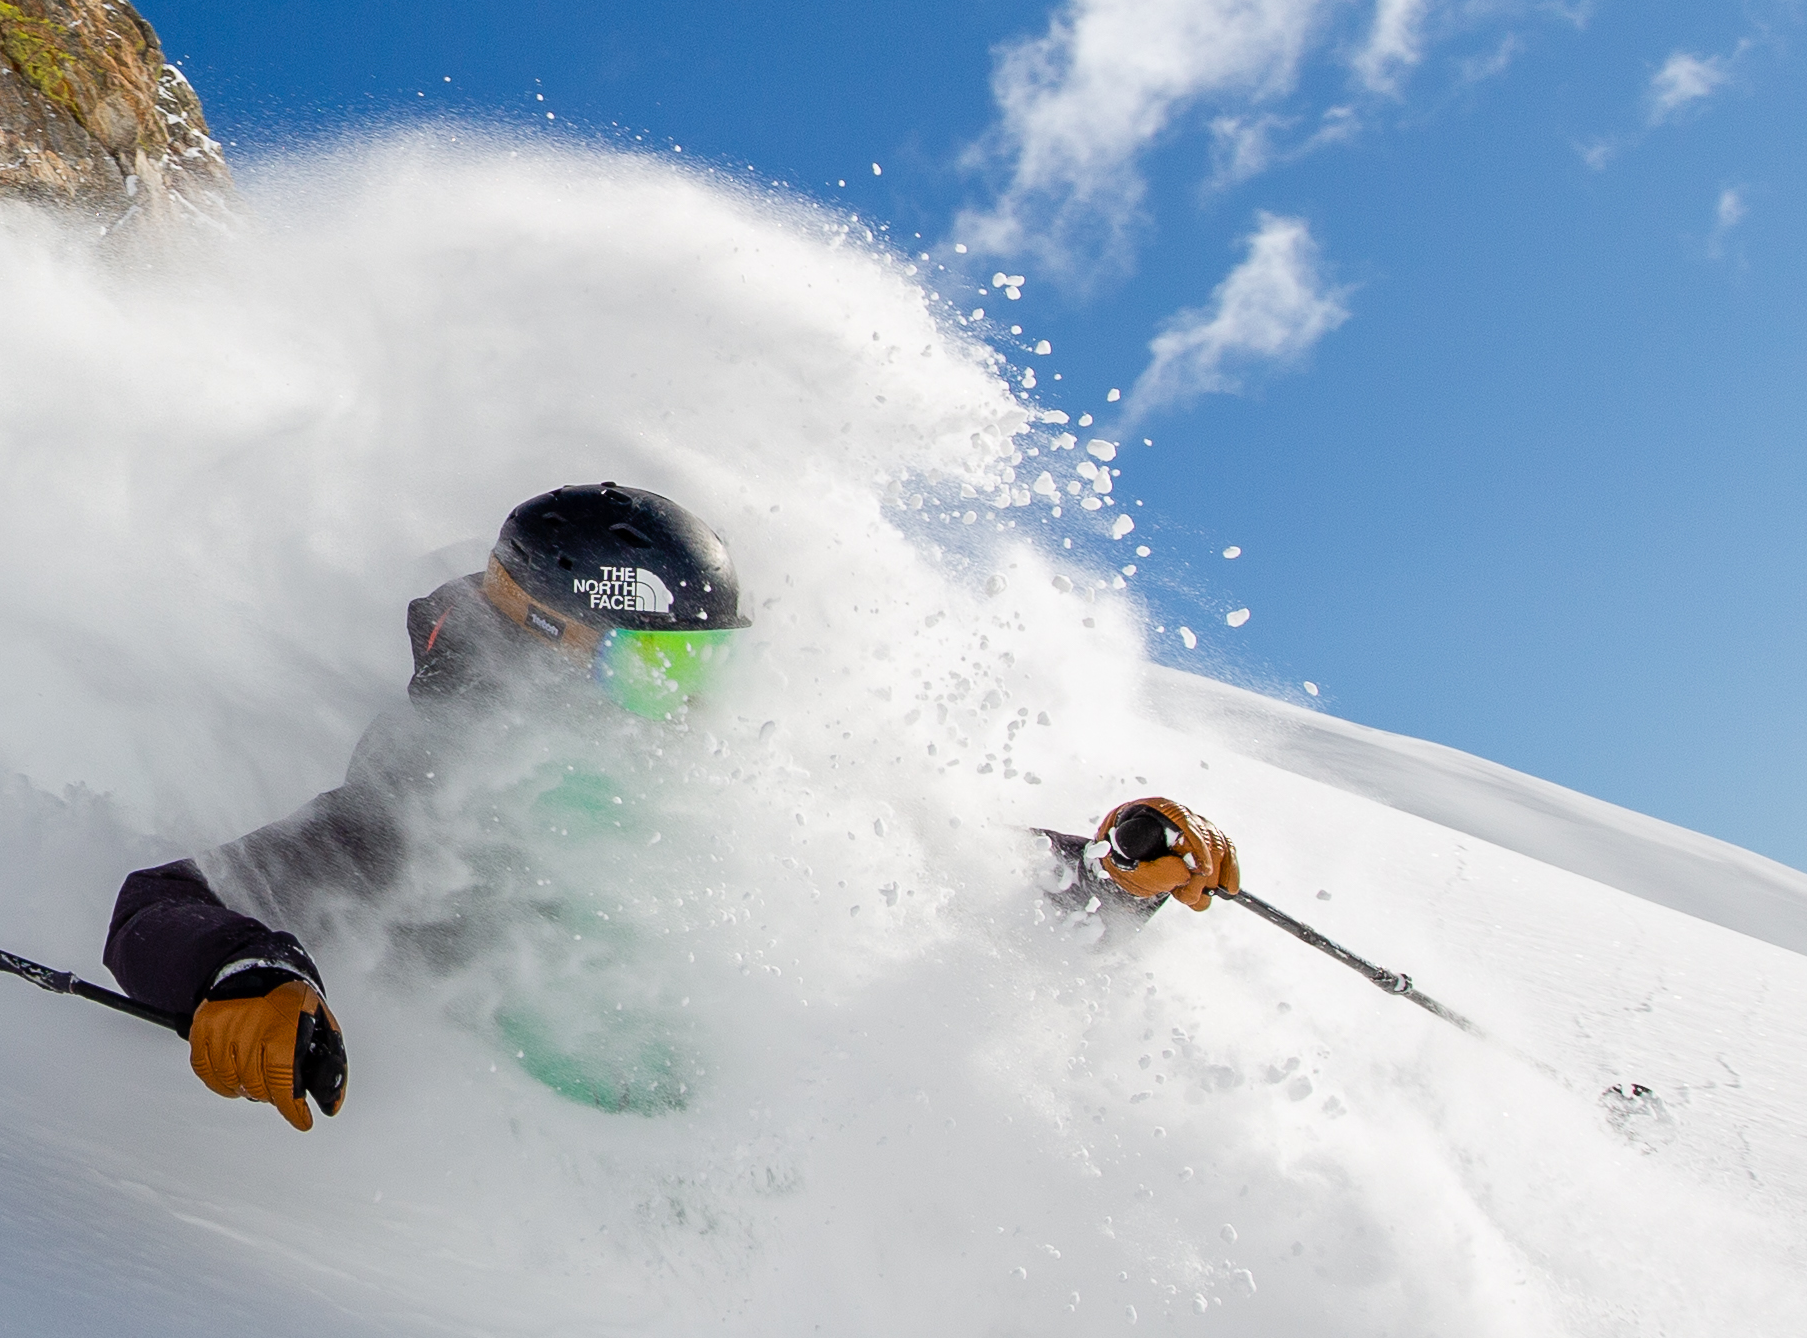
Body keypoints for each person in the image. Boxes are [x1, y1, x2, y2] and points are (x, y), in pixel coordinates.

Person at [104, 480, 1244, 1128]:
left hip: (789, 1191)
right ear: (547, 647)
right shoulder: (428, 803)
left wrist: (1102, 872)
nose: (689, 709)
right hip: (571, 1219)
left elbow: (898, 881)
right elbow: (159, 906)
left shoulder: (708, 784)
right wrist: (244, 972)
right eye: (660, 670)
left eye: (706, 672)